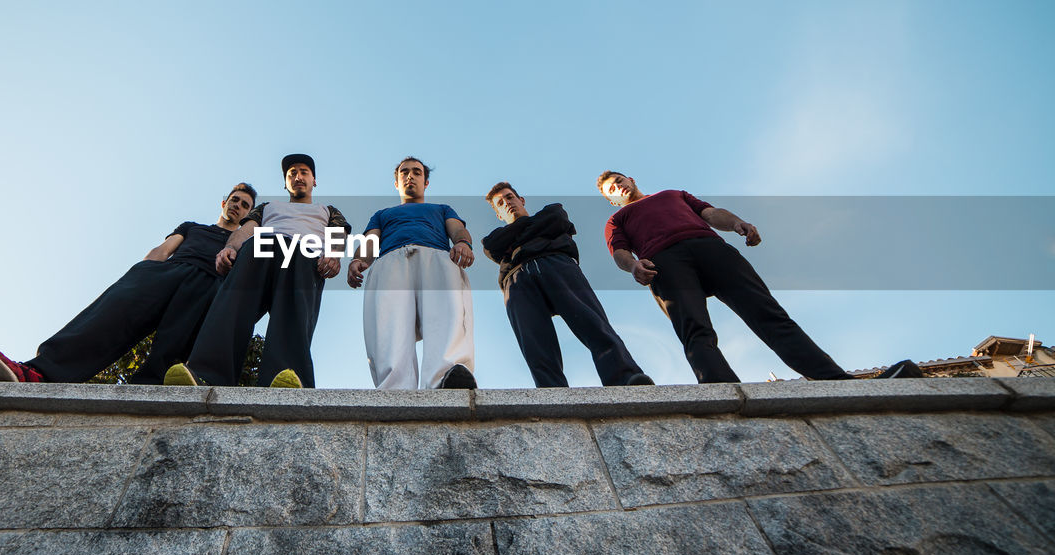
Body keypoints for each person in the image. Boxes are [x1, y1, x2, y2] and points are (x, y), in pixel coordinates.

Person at [597, 171, 922, 383]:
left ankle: (836, 382)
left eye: (620, 180)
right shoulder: (618, 218)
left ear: (631, 179)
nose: (619, 186)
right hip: (665, 263)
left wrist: (737, 222)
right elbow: (620, 252)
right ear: (612, 198)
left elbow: (709, 214)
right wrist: (634, 267)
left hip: (710, 247)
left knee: (769, 314)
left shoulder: (673, 194)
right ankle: (722, 391)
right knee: (695, 330)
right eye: (612, 188)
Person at [0, 183, 257, 384]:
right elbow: (162, 250)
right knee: (109, 315)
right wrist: (142, 273)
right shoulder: (193, 227)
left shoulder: (245, 240)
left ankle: (147, 397)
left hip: (208, 283)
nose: (237, 206)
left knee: (172, 354)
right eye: (234, 199)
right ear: (224, 203)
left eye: (245, 205)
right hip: (170, 271)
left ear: (248, 214)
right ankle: (39, 372)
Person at [165, 154, 349, 389]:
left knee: (292, 313)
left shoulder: (328, 210)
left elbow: (338, 234)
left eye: (304, 172)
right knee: (232, 304)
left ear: (314, 180)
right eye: (292, 173)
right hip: (263, 248)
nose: (298, 177)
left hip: (304, 254)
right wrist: (230, 247)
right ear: (285, 182)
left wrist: (333, 254)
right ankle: (205, 374)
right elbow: (247, 230)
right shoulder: (267, 208)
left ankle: (286, 376)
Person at [481, 182, 654, 388]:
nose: (507, 203)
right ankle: (552, 392)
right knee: (535, 344)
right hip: (516, 279)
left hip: (557, 264)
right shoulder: (498, 236)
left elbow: (556, 219)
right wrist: (534, 229)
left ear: (521, 200)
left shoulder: (551, 212)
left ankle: (625, 377)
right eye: (500, 203)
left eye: (510, 197)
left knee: (593, 324)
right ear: (499, 215)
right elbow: (492, 246)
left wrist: (514, 237)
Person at [347, 157, 476, 390]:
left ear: (425, 182)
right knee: (389, 323)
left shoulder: (441, 209)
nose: (410, 176)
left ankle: (446, 378)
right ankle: (395, 386)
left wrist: (463, 243)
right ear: (396, 182)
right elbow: (370, 239)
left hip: (436, 257)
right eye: (404, 172)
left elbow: (457, 229)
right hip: (391, 261)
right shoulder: (382, 214)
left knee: (447, 315)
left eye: (416, 172)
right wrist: (359, 259)